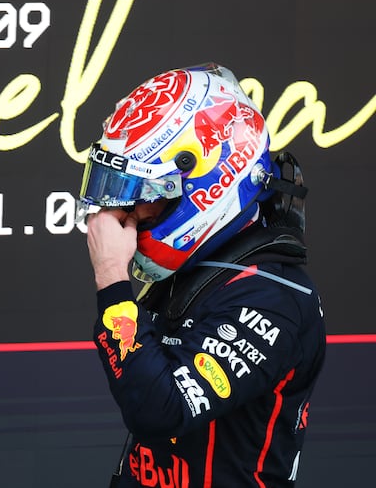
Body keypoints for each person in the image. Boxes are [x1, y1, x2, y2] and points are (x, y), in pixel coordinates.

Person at [76, 63, 326, 487]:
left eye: (141, 196)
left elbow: (161, 411)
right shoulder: (195, 269)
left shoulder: (274, 298)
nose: (121, 216)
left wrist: (113, 278)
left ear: (208, 184)